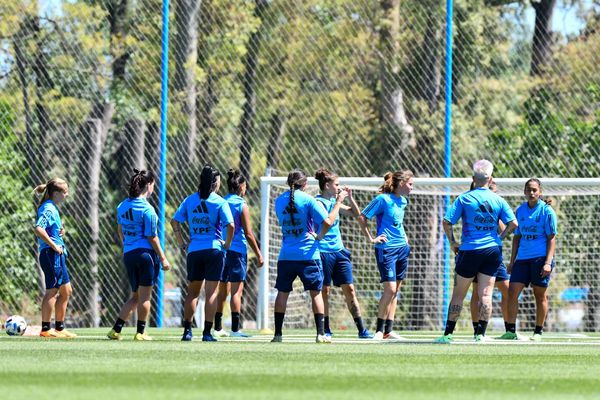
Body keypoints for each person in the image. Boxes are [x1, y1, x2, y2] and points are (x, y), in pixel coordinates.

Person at [436, 160, 517, 343]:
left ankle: (448, 334)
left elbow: (447, 222)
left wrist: (453, 242)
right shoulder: (498, 199)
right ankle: (480, 335)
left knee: (458, 295)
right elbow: (513, 224)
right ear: (491, 179)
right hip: (492, 251)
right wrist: (500, 238)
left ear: (473, 179)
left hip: (469, 250)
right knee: (486, 295)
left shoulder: (464, 198)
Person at [271, 169, 342, 343]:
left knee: (282, 293)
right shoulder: (309, 200)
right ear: (305, 184)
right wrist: (319, 236)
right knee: (316, 293)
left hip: (286, 254)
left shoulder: (279, 201)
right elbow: (327, 221)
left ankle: (278, 335)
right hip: (308, 254)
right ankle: (320, 334)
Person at [172, 165, 234, 342]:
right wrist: (227, 244)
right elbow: (230, 225)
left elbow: (174, 222)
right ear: (216, 183)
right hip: (214, 250)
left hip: (194, 251)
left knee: (192, 293)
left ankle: (187, 332)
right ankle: (207, 333)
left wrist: (182, 242)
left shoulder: (190, 200)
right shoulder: (220, 202)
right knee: (211, 293)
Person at [108, 169, 171, 341]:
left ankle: (116, 329)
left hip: (129, 254)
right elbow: (152, 236)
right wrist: (163, 258)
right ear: (148, 186)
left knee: (135, 296)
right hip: (145, 255)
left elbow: (120, 231)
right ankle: (141, 332)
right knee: (145, 297)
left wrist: (128, 245)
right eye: (153, 185)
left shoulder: (122, 206)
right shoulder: (148, 210)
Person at [313, 168, 372, 339]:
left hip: (339, 251)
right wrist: (338, 202)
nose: (339, 188)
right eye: (336, 184)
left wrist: (351, 198)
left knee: (350, 289)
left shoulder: (335, 202)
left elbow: (356, 214)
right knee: (325, 290)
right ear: (326, 185)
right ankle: (326, 328)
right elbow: (328, 222)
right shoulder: (318, 203)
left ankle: (361, 329)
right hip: (323, 252)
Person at [358, 170, 414, 340]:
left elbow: (397, 223)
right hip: (386, 249)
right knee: (389, 289)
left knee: (395, 290)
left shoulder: (403, 201)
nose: (412, 187)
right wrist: (371, 238)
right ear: (402, 183)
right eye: (410, 184)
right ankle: (379, 330)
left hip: (402, 249)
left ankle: (388, 331)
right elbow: (362, 217)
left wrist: (404, 237)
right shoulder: (382, 199)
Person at [499, 178, 557, 341]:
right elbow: (516, 238)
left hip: (540, 259)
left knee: (540, 296)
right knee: (512, 293)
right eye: (528, 190)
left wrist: (547, 263)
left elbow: (552, 238)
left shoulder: (547, 211)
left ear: (540, 192)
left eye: (534, 190)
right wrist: (512, 261)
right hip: (522, 260)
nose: (531, 193)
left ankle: (538, 331)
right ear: (524, 192)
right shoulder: (520, 211)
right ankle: (511, 331)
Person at [213, 169, 264, 338]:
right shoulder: (242, 205)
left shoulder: (220, 201)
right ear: (242, 186)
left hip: (221, 250)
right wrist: (259, 254)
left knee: (222, 292)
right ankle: (235, 329)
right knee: (236, 292)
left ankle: (218, 328)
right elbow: (248, 234)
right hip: (237, 252)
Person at [33, 178, 77, 338]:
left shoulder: (53, 208)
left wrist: (59, 232)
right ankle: (45, 329)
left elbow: (49, 229)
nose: (67, 194)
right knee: (53, 290)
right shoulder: (48, 208)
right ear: (56, 193)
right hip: (51, 254)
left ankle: (59, 328)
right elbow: (38, 228)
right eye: (65, 192)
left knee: (66, 291)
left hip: (58, 253)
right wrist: (53, 245)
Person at [469, 180, 510, 336]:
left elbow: (506, 228)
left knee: (508, 291)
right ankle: (477, 330)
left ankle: (509, 329)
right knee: (477, 293)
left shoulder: (496, 207)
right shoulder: (471, 205)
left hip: (493, 255)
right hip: (475, 251)